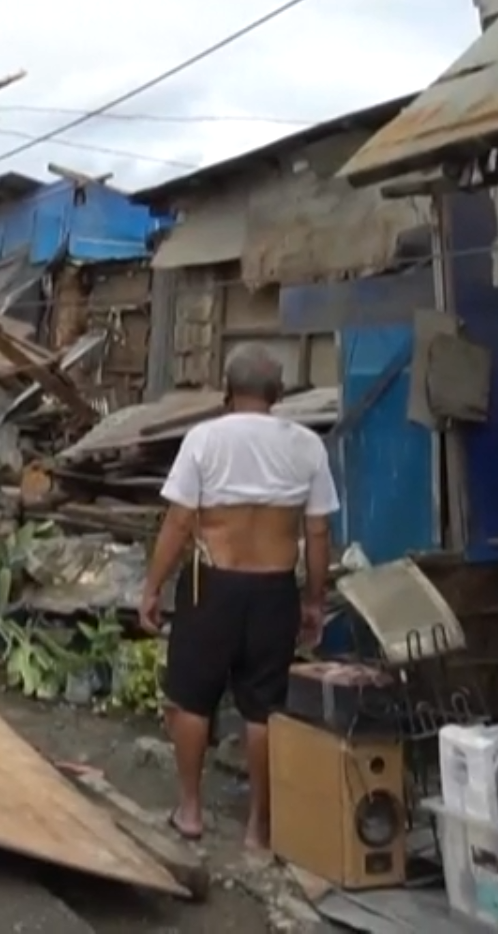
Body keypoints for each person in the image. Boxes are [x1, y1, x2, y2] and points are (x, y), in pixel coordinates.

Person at [138, 344, 338, 850]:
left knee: (190, 698)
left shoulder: (205, 439)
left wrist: (153, 586)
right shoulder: (307, 445)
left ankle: (189, 810)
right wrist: (314, 599)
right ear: (277, 393)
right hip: (274, 590)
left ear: (227, 392)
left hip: (213, 585)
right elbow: (316, 534)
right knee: (263, 708)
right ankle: (259, 828)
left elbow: (181, 521)